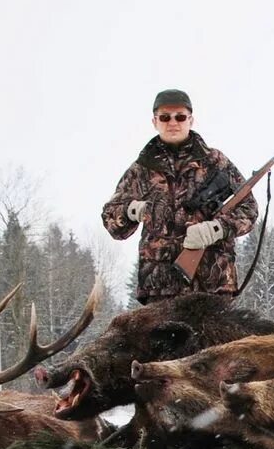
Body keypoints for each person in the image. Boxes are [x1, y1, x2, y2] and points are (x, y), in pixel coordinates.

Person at [103, 89, 258, 304]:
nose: (173, 122)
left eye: (180, 116)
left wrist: (217, 229)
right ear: (154, 121)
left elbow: (248, 208)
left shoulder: (215, 161)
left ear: (191, 120)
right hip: (159, 288)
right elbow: (112, 220)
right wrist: (131, 210)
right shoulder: (142, 169)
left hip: (213, 285)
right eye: (165, 117)